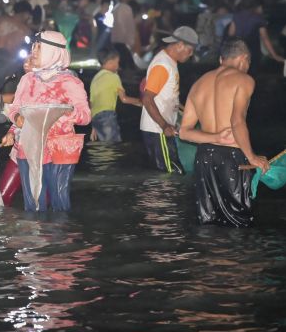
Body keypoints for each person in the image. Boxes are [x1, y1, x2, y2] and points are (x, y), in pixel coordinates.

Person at [179, 37, 267, 227]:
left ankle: (211, 256)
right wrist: (251, 156)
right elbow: (237, 121)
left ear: (221, 59)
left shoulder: (198, 84)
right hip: (231, 158)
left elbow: (184, 132)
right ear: (244, 58)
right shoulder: (244, 80)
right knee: (239, 222)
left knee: (209, 221)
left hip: (203, 158)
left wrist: (215, 137)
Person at [2, 31, 90, 211]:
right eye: (33, 47)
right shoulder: (27, 79)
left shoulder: (70, 82)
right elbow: (15, 108)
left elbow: (85, 116)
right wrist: (16, 119)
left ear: (53, 51)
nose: (33, 51)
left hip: (60, 149)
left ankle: (59, 237)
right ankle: (35, 238)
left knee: (59, 202)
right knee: (33, 204)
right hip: (28, 148)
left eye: (39, 48)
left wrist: (59, 113)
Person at [140, 26, 198, 174]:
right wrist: (164, 125)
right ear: (179, 45)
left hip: (164, 129)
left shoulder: (170, 62)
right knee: (169, 176)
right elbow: (147, 99)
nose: (191, 55)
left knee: (172, 173)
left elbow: (168, 96)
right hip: (158, 130)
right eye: (190, 50)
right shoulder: (162, 65)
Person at [90, 47, 142, 142]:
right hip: (108, 117)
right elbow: (124, 99)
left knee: (105, 150)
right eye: (117, 62)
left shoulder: (95, 79)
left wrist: (94, 126)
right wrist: (142, 102)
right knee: (112, 147)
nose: (118, 66)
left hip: (96, 118)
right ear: (110, 62)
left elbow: (92, 103)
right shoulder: (113, 76)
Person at [228, 0, 283, 73]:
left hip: (237, 50)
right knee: (252, 73)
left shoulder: (237, 16)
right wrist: (274, 55)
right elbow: (265, 38)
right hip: (252, 50)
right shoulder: (258, 19)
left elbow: (231, 33)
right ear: (258, 7)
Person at [110, 0, 141, 70]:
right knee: (129, 69)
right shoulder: (126, 8)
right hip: (124, 44)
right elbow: (128, 27)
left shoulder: (116, 7)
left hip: (115, 43)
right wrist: (130, 42)